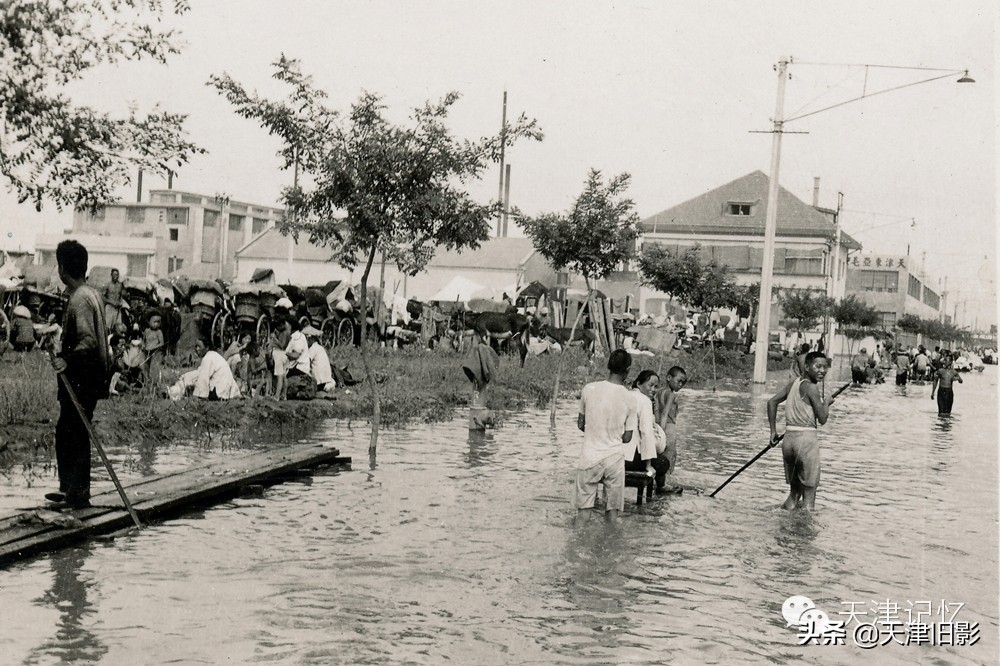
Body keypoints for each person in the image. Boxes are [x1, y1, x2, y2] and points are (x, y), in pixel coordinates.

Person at [46, 240, 111, 509]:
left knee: (72, 432)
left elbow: (89, 342)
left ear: (63, 268)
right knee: (70, 430)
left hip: (82, 378)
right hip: (91, 377)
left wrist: (66, 360)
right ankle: (72, 490)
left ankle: (76, 493)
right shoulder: (91, 293)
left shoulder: (80, 299)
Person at [767, 351, 836, 511]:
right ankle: (806, 526)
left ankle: (784, 521)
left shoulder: (794, 383)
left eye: (825, 367)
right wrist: (826, 402)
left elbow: (772, 402)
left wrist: (773, 432)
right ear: (806, 367)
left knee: (794, 493)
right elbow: (822, 418)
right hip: (806, 442)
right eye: (817, 366)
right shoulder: (811, 388)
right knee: (809, 496)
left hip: (789, 441)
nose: (822, 371)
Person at [575, 349, 637, 521]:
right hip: (614, 459)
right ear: (627, 370)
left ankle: (579, 538)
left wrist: (596, 431)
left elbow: (580, 424)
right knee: (612, 513)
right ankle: (610, 539)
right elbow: (627, 438)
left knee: (583, 514)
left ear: (608, 366)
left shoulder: (589, 389)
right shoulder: (630, 398)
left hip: (589, 457)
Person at [168, 337, 241, 400]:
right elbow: (199, 372)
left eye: (199, 347)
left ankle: (175, 391)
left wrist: (198, 395)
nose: (197, 349)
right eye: (196, 347)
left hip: (220, 391)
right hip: (228, 391)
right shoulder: (213, 355)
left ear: (207, 348)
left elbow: (203, 379)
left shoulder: (207, 358)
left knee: (195, 381)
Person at [653, 366, 688, 493]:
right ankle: (665, 484)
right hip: (668, 428)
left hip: (658, 426)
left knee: (660, 456)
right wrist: (662, 432)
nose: (680, 385)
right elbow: (665, 414)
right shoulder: (671, 394)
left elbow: (657, 411)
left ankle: (658, 483)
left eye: (683, 383)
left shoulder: (658, 392)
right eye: (679, 381)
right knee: (669, 456)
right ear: (669, 378)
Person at [623, 369, 661, 482]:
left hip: (615, 455)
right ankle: (660, 486)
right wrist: (648, 465)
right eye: (650, 385)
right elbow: (646, 432)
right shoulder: (644, 400)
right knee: (663, 463)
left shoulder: (625, 395)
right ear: (639, 384)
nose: (653, 390)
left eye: (656, 387)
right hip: (629, 459)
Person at [284, 317, 314, 400]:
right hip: (295, 367)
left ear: (291, 326)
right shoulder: (292, 337)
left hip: (299, 368)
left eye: (286, 325)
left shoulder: (298, 337)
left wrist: (284, 353)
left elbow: (296, 355)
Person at [303, 325, 336, 393]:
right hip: (326, 379)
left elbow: (305, 362)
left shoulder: (313, 348)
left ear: (310, 339)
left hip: (320, 381)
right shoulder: (319, 347)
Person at [142, 312, 165, 385]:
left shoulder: (159, 332)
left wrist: (154, 347)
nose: (156, 324)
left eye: (158, 322)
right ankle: (146, 381)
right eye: (154, 322)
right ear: (148, 322)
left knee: (154, 366)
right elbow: (144, 340)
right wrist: (143, 346)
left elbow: (162, 343)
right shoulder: (146, 331)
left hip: (156, 351)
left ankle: (154, 382)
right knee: (145, 366)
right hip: (147, 351)